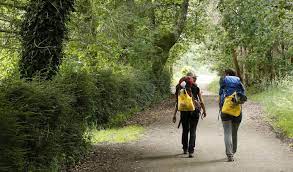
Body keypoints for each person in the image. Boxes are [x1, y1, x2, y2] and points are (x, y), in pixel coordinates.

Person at [173, 72, 207, 158]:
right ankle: (191, 151)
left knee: (185, 130)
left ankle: (185, 148)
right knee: (193, 130)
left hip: (184, 111)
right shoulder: (196, 87)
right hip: (195, 111)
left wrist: (174, 114)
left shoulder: (179, 88)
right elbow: (201, 101)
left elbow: (178, 102)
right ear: (192, 79)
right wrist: (204, 110)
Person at [219, 69, 245, 162]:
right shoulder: (239, 82)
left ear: (227, 74)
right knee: (234, 133)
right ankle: (233, 152)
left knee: (227, 133)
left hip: (225, 110)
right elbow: (243, 96)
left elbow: (220, 94)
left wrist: (220, 107)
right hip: (237, 111)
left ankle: (229, 155)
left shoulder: (223, 80)